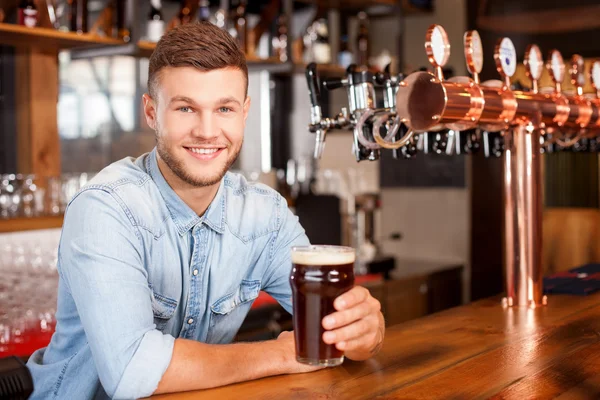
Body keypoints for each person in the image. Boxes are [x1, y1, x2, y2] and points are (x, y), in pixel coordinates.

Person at [26, 22, 385, 399]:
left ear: (244, 112)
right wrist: (283, 352)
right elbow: (133, 372)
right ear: (151, 112)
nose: (207, 131)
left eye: (224, 109)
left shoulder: (266, 214)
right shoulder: (106, 209)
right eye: (186, 108)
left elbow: (336, 326)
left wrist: (363, 332)